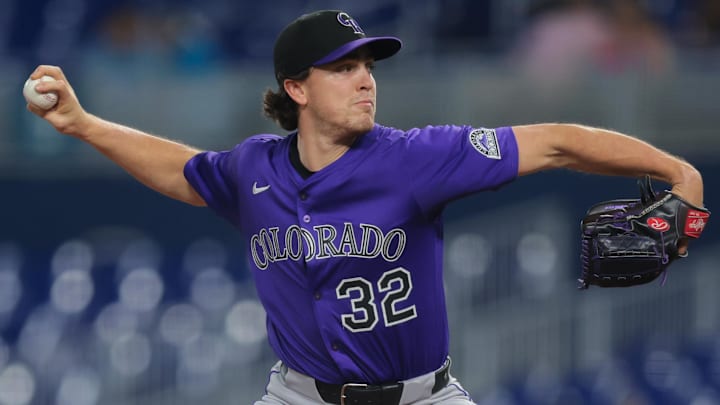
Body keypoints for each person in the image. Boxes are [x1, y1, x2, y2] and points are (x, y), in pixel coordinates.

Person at [26, 9, 704, 405]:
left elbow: (555, 144)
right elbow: (181, 170)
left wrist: (675, 169)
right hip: (298, 395)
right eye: (344, 68)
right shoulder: (253, 168)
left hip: (424, 396)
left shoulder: (415, 156)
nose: (365, 79)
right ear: (297, 86)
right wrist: (85, 124)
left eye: (369, 66)